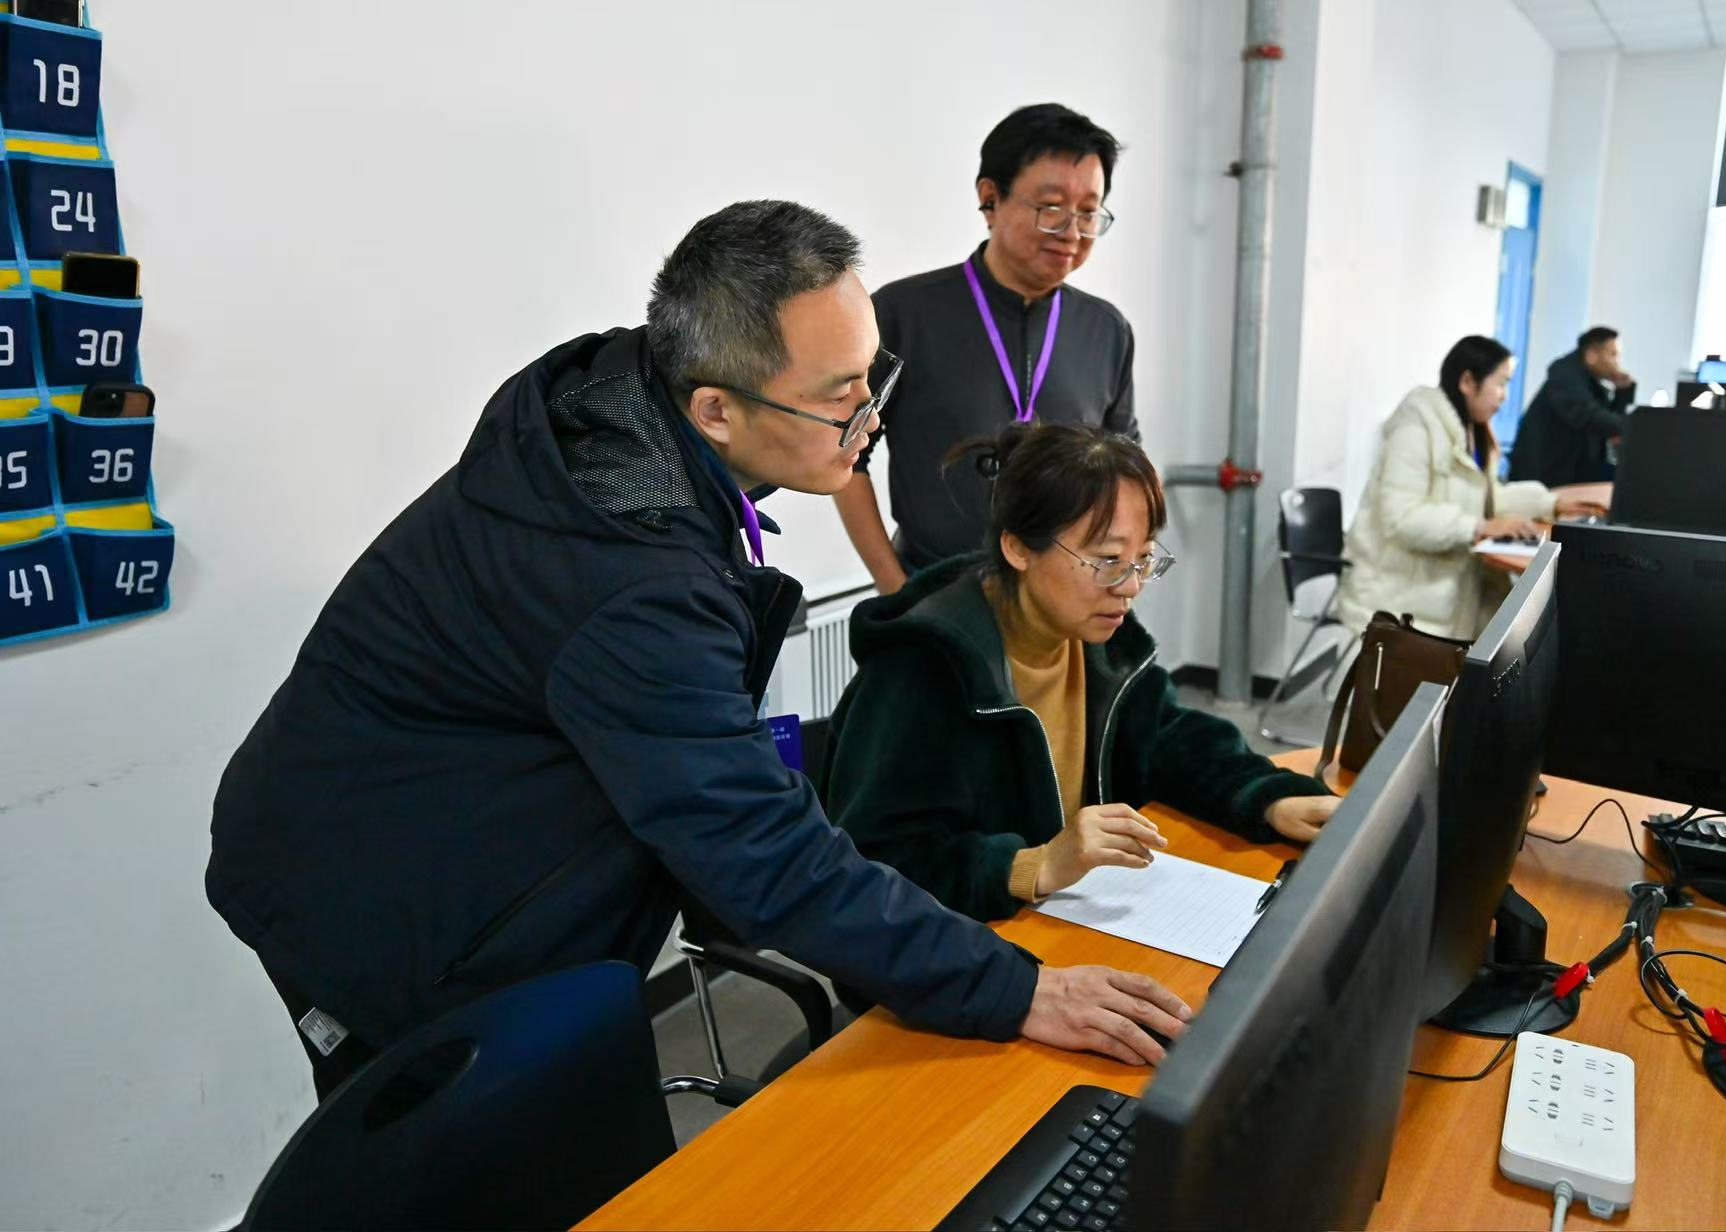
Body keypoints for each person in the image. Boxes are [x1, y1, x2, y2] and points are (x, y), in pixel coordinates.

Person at [206, 201, 1194, 1099]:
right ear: (716, 407)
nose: (873, 416)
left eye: (873, 374)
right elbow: (761, 849)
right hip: (377, 889)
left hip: (472, 833)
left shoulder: (637, 403)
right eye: (840, 397)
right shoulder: (631, 579)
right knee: (467, 1159)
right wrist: (1016, 990)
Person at [822, 422, 1338, 924]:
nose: (1130, 586)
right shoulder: (924, 665)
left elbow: (1168, 738)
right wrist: (1034, 864)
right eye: (1108, 560)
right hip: (969, 941)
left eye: (1144, 559)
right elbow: (878, 861)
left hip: (1067, 915)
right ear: (1018, 548)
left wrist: (1267, 796)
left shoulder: (1095, 636)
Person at [836, 103, 1138, 594]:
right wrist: (894, 586)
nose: (1072, 232)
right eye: (1051, 207)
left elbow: (1123, 470)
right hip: (931, 590)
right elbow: (848, 454)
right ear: (990, 198)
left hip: (1064, 600)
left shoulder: (1106, 330)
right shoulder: (903, 314)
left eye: (1088, 212)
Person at [1338, 336, 1594, 639]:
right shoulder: (1416, 427)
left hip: (1445, 591)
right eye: (1501, 383)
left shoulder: (1469, 430)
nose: (1504, 396)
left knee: (1519, 628)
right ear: (1468, 382)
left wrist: (1549, 504)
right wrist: (1479, 527)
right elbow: (1402, 518)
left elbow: (1489, 498)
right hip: (1400, 597)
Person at [1507, 326, 1634, 487]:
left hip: (1569, 471)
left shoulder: (1591, 381)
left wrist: (1623, 391)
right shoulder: (1565, 376)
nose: (1617, 362)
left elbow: (1609, 420)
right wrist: (1633, 427)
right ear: (1592, 355)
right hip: (1542, 474)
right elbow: (1591, 416)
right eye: (1613, 354)